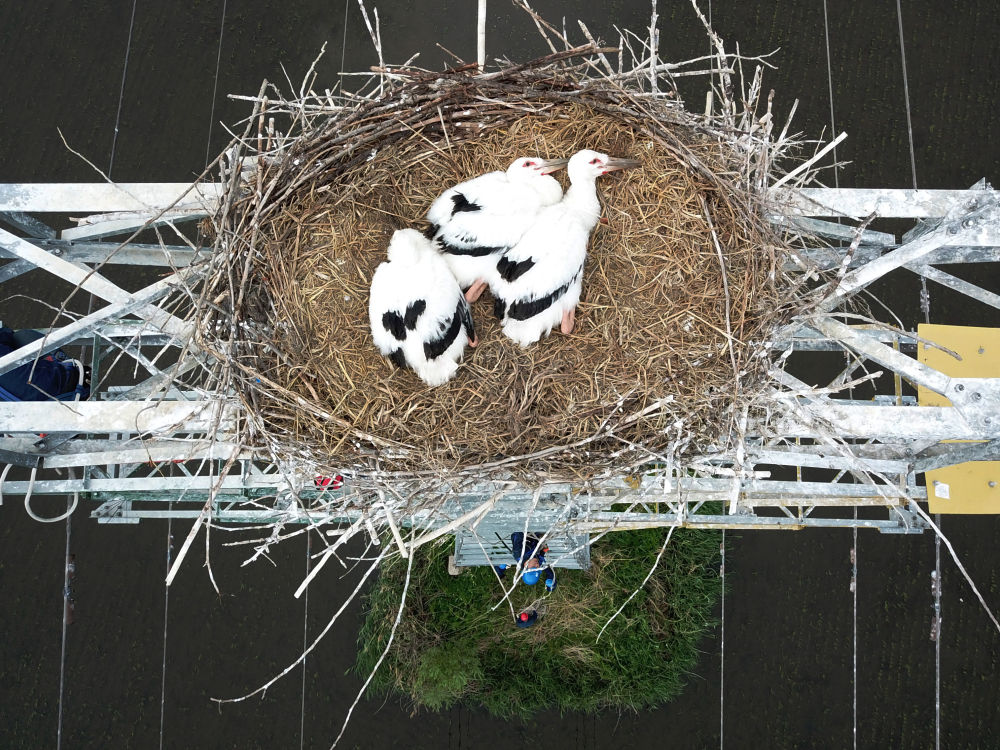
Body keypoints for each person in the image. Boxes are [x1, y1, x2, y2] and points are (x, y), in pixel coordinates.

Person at [0, 327, 88, 401]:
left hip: (33, 411)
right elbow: (6, 335)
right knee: (22, 336)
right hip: (66, 387)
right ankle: (63, 364)